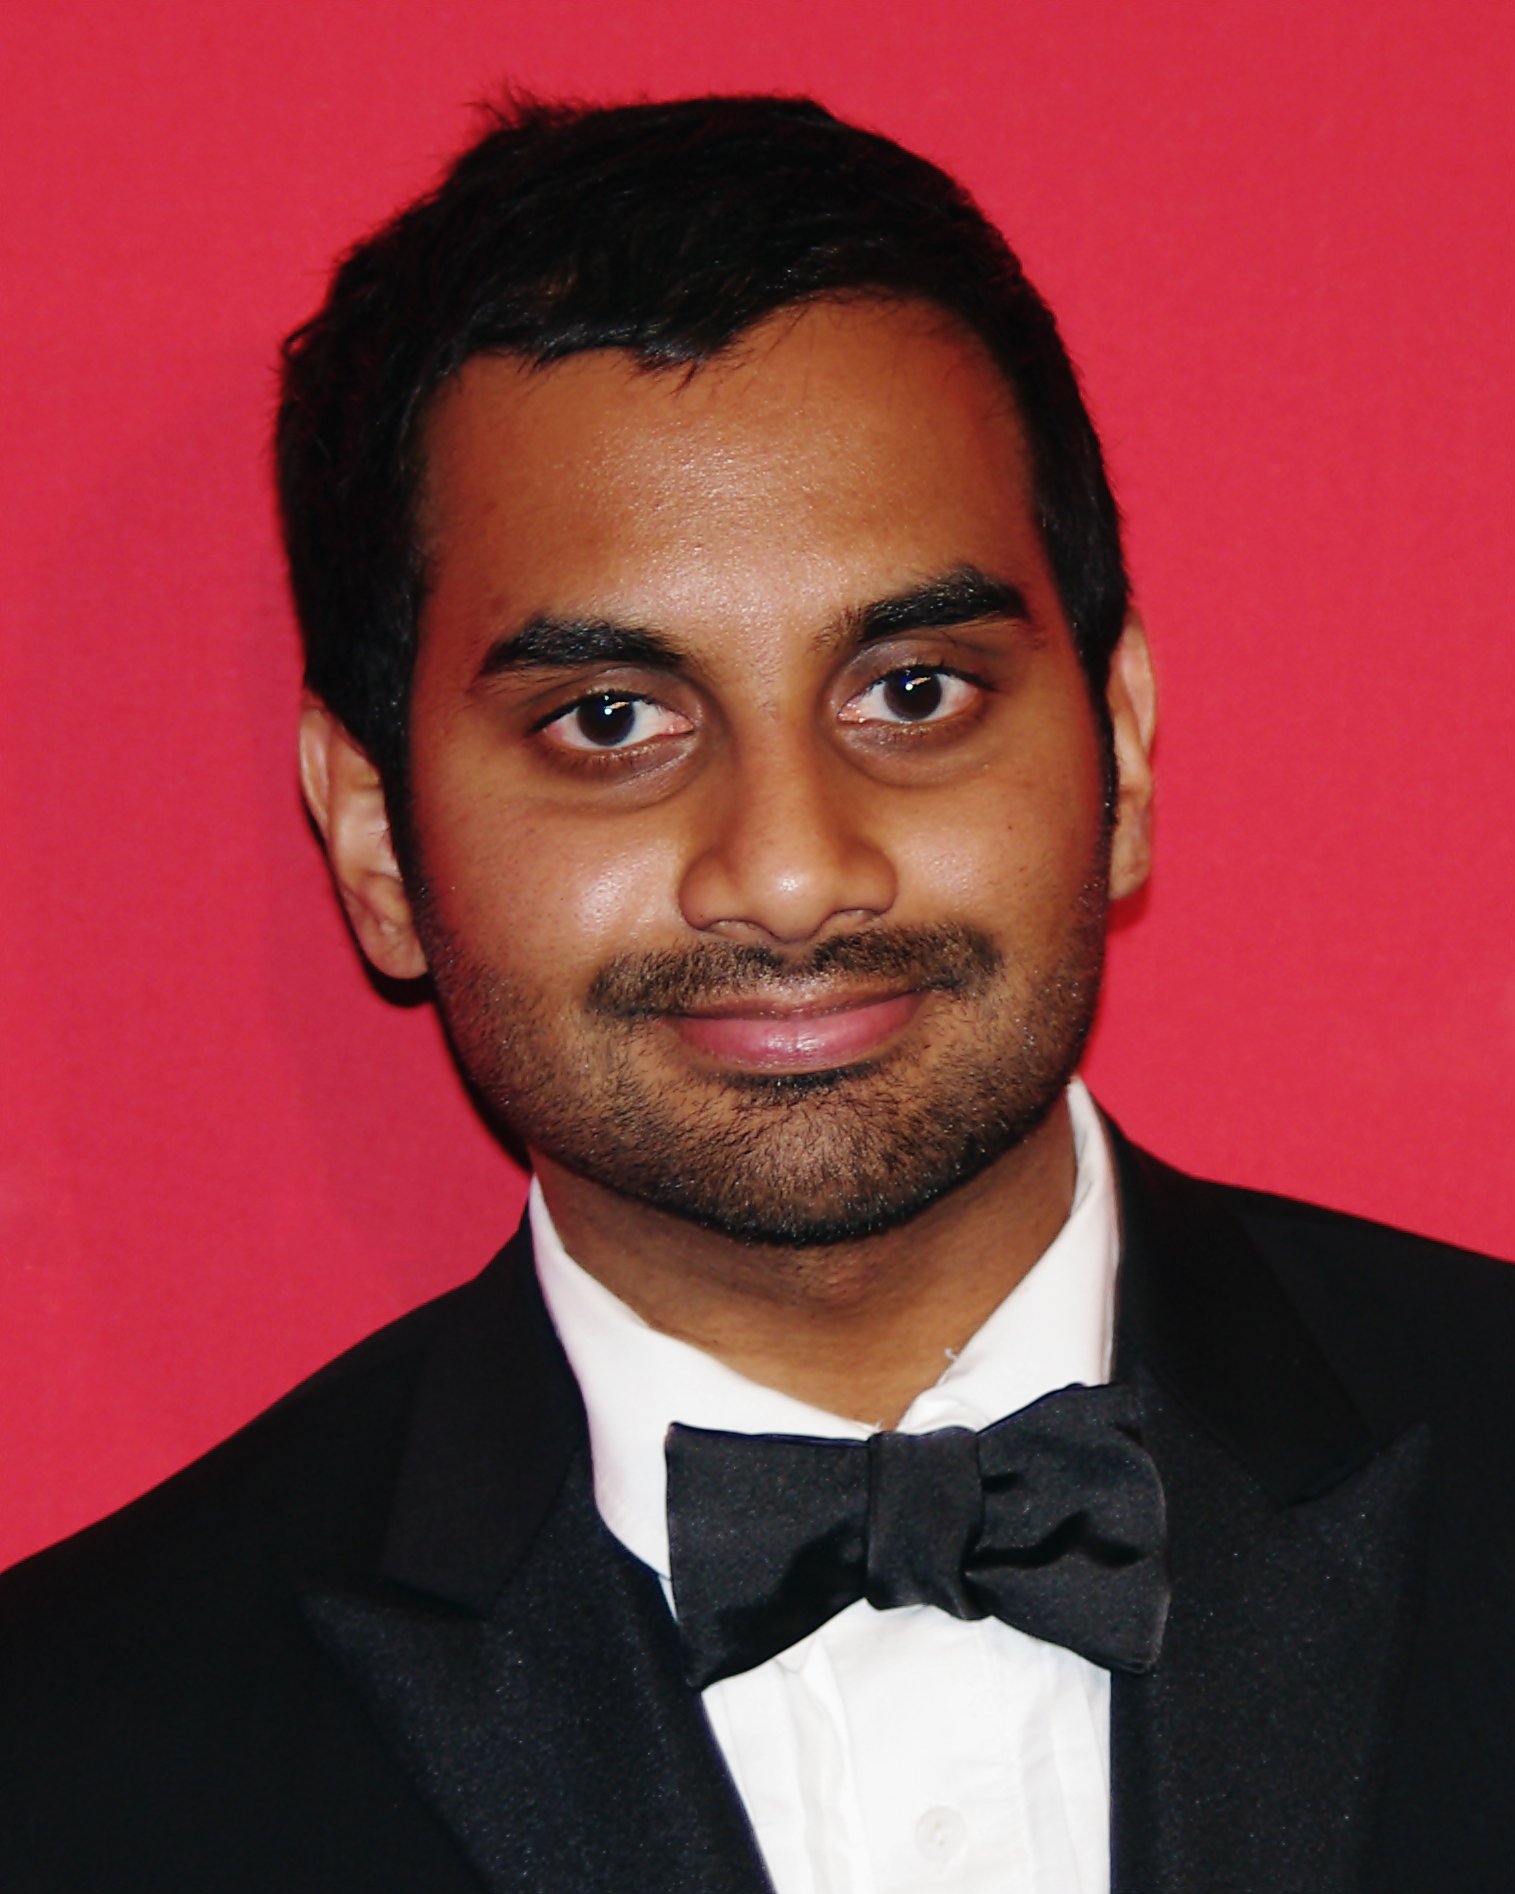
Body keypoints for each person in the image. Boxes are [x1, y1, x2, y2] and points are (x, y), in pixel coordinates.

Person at [1, 92, 1512, 1894]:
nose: (793, 870)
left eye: (917, 691)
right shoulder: (68, 1751)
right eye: (610, 721)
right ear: (378, 842)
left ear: (1120, 744)